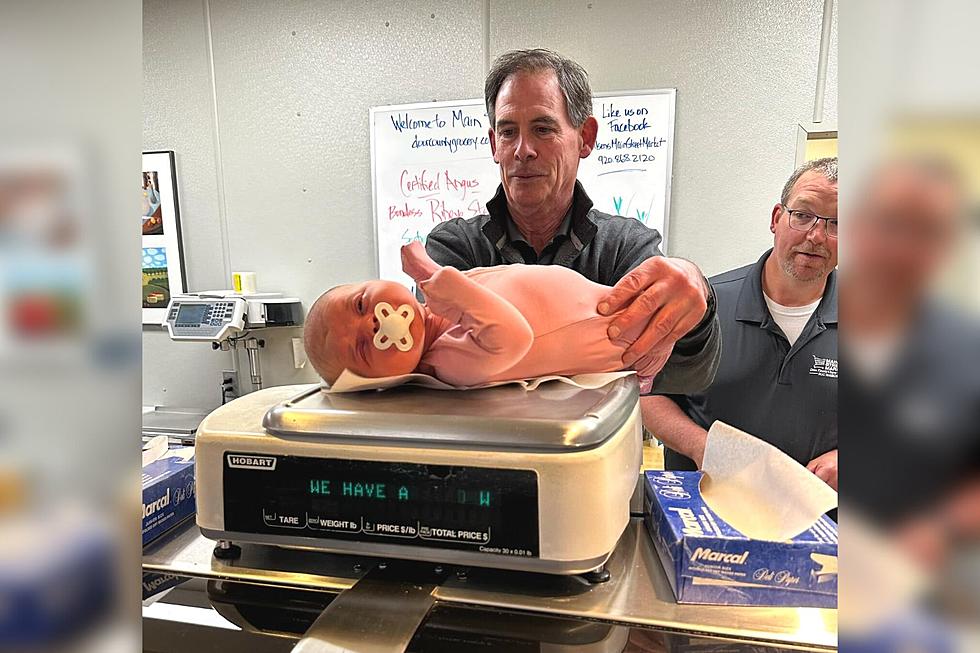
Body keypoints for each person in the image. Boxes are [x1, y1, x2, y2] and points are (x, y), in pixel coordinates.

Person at [424, 49, 719, 393]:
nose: (522, 150)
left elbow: (685, 375)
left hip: (589, 447)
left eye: (542, 128)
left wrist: (697, 300)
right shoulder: (454, 247)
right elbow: (430, 364)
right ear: (493, 144)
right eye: (507, 132)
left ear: (586, 137)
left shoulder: (625, 247)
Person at [642, 157, 838, 489]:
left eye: (837, 223)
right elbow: (647, 394)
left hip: (817, 525)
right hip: (702, 515)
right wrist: (700, 446)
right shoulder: (703, 306)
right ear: (777, 218)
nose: (816, 235)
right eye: (802, 216)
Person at [304, 242, 656, 387]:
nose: (376, 323)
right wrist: (429, 272)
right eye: (366, 346)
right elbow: (513, 338)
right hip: (618, 331)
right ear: (381, 383)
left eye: (362, 305)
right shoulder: (449, 363)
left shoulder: (440, 307)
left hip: (618, 303)